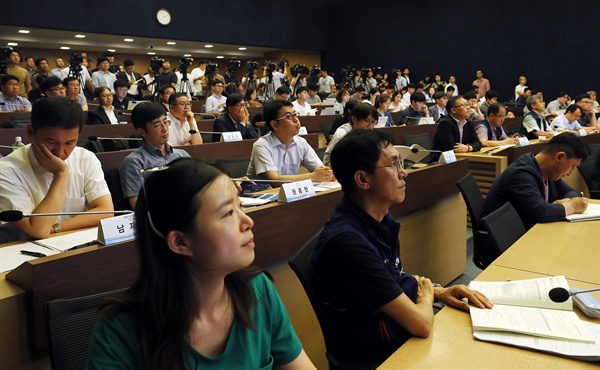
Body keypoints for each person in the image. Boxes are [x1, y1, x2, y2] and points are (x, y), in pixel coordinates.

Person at [87, 158, 316, 369]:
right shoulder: (120, 329)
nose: (248, 221)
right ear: (180, 242)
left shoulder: (257, 289)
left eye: (240, 206)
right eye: (228, 213)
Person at [312, 129, 491, 366]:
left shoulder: (378, 219)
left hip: (394, 331)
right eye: (394, 165)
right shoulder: (347, 242)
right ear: (363, 180)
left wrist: (438, 291)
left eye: (401, 163)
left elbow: (388, 278)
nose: (404, 173)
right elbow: (422, 324)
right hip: (380, 356)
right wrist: (426, 296)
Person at [0, 97, 113, 242]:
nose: (60, 152)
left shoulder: (85, 158)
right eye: (51, 142)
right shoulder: (6, 171)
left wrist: (55, 228)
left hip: (73, 245)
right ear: (30, 132)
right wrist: (61, 173)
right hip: (23, 255)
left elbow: (106, 210)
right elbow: (38, 230)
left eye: (70, 142)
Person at [481, 133, 588, 231]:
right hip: (506, 241)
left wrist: (567, 201)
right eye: (572, 166)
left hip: (527, 230)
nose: (570, 173)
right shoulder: (521, 174)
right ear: (559, 156)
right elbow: (541, 212)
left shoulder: (549, 172)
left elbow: (570, 191)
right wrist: (572, 206)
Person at [119, 102, 190, 209]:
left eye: (166, 122)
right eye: (157, 125)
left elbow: (195, 187)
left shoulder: (181, 155)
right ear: (142, 132)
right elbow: (137, 204)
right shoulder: (134, 162)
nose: (165, 129)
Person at [246, 100, 333, 186]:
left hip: (288, 195)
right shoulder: (262, 145)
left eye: (295, 114)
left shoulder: (301, 143)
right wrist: (312, 177)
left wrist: (328, 174)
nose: (296, 120)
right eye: (288, 117)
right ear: (275, 125)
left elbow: (320, 170)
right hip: (261, 195)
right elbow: (274, 180)